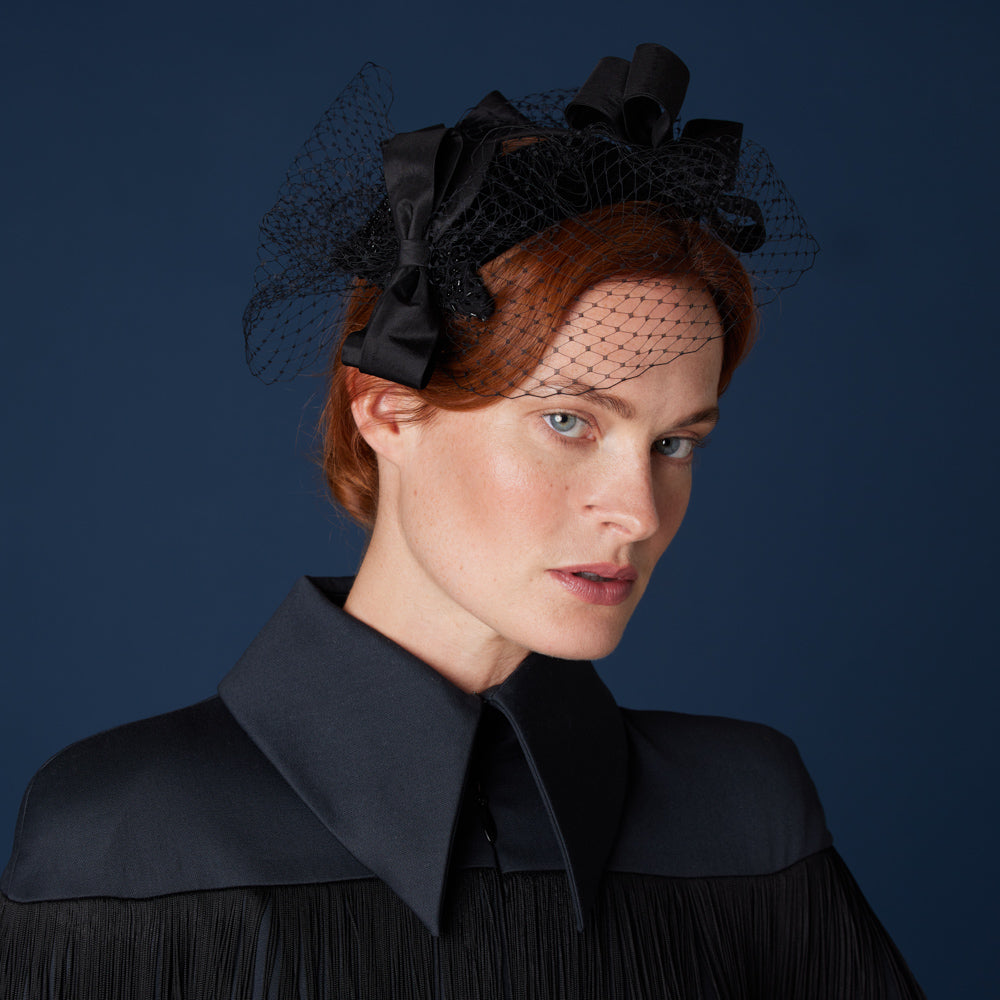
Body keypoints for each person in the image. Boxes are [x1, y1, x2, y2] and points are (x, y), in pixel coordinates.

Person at [0, 44, 925, 998]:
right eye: (568, 422)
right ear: (388, 407)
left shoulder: (744, 811)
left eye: (674, 442)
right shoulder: (129, 829)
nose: (639, 512)